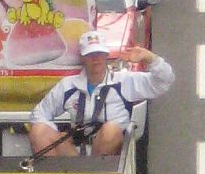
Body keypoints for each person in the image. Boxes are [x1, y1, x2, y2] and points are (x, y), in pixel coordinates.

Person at [28, 31, 174, 158]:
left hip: (108, 157)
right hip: (74, 152)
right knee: (38, 131)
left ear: (106, 55)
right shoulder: (68, 85)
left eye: (99, 53)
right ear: (83, 57)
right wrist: (58, 135)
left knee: (111, 130)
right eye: (90, 54)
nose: (95, 58)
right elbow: (39, 114)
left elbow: (164, 81)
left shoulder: (123, 81)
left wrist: (150, 58)